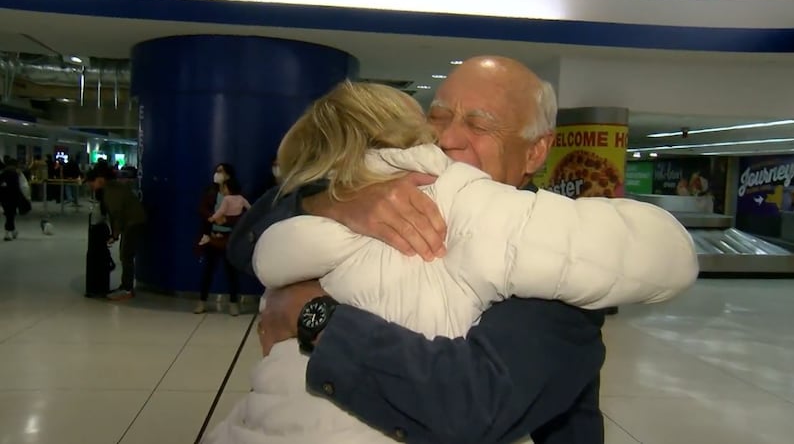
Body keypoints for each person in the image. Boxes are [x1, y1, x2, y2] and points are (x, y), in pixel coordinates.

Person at [227, 56, 694, 443]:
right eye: (438, 115)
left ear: (535, 152)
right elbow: (245, 241)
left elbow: (472, 407)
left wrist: (317, 318)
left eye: (479, 124)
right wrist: (332, 198)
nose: (448, 139)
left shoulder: (546, 259)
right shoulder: (382, 191)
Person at [85, 167, 147, 300]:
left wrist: (114, 235)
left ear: (100, 179)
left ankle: (127, 289)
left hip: (133, 222)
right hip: (131, 222)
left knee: (126, 255)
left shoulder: (111, 191)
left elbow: (117, 214)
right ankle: (126, 286)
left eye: (92, 183)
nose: (91, 187)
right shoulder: (112, 188)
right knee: (125, 254)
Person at [194, 163, 244, 315]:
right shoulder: (210, 191)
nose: (217, 174)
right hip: (212, 237)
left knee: (231, 273)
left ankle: (234, 303)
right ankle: (201, 302)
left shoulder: (236, 193)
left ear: (228, 175)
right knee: (208, 271)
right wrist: (213, 218)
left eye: (221, 171)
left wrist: (225, 220)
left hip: (229, 238)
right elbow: (202, 209)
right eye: (217, 171)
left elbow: (243, 214)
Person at [1, 159, 25, 241]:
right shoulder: (16, 174)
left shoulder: (3, 173)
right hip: (13, 197)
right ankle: (7, 233)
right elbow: (18, 187)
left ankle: (13, 231)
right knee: (10, 215)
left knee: (9, 215)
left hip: (4, 198)